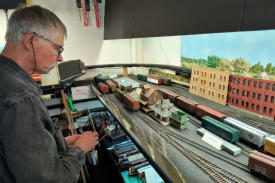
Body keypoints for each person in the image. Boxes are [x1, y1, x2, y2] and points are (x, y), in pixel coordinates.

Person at [0, 5, 98, 183]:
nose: (60, 58)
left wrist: (59, 145)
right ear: (31, 40)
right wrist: (80, 149)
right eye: (58, 49)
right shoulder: (21, 97)